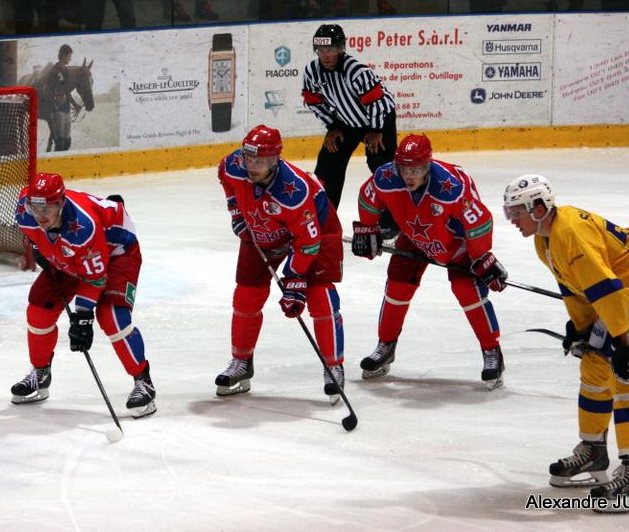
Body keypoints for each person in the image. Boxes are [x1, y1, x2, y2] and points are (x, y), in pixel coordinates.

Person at [502, 174, 629, 509]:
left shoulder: (570, 234)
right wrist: (581, 327)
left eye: (517, 212)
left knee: (628, 378)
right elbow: (576, 289)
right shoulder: (544, 239)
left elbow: (609, 291)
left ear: (539, 207)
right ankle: (594, 452)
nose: (512, 220)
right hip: (621, 292)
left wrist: (625, 346)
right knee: (594, 366)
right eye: (509, 212)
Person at [352, 134, 507, 389]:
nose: (409, 175)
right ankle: (386, 345)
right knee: (397, 287)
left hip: (455, 241)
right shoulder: (386, 177)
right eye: (405, 169)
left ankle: (492, 352)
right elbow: (367, 197)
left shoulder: (451, 185)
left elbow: (479, 221)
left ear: (428, 166)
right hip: (415, 234)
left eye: (417, 169)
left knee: (467, 290)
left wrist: (481, 256)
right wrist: (366, 229)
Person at [214, 125, 345, 400]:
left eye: (260, 161)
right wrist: (237, 213)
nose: (252, 166)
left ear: (275, 160)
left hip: (316, 232)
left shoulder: (294, 190)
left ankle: (333, 366)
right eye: (249, 159)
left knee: (319, 295)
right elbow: (227, 182)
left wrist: (295, 281)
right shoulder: (232, 165)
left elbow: (308, 243)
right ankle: (242, 362)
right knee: (246, 296)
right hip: (264, 225)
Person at [12, 173, 156, 418]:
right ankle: (40, 373)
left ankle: (143, 381)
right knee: (39, 310)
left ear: (61, 203)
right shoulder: (25, 210)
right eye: (34, 207)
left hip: (117, 253)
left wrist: (83, 318)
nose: (39, 215)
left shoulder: (83, 227)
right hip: (74, 253)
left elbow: (94, 278)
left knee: (111, 316)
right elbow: (33, 231)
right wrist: (40, 246)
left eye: (47, 207)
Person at [301, 23, 397, 219]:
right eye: (320, 50)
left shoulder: (356, 71)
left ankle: (392, 220)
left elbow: (378, 102)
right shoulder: (312, 71)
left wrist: (377, 130)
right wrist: (333, 127)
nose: (325, 55)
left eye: (330, 50)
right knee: (329, 164)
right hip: (345, 122)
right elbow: (313, 102)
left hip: (377, 119)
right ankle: (323, 218)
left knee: (382, 166)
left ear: (340, 49)